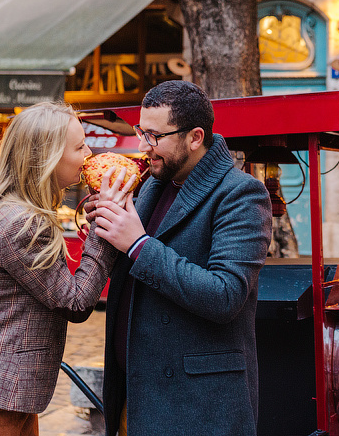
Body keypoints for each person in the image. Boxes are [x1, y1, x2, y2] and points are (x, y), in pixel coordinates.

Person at [0, 101, 127, 436]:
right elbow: (75, 303)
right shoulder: (23, 223)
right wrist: (104, 230)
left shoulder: (7, 207)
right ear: (47, 156)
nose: (89, 153)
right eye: (79, 146)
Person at [91, 80, 273, 436]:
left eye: (155, 136)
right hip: (137, 395)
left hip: (198, 408)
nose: (143, 146)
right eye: (142, 132)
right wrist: (105, 225)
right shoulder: (150, 184)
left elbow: (225, 295)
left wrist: (138, 244)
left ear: (194, 137)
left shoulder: (242, 194)